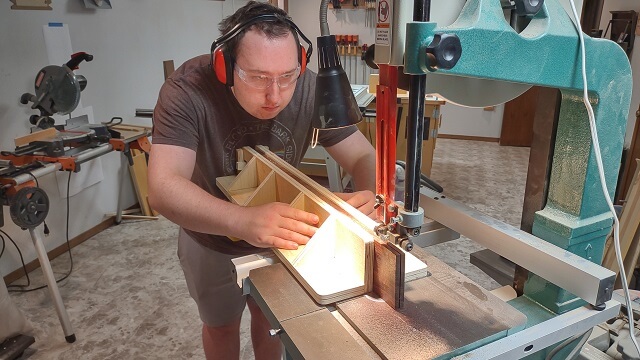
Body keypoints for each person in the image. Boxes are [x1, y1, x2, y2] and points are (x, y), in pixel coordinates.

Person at [148, 2, 376, 359]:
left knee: (272, 321)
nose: (275, 95)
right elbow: (163, 188)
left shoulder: (309, 86)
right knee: (221, 326)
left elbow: (363, 156)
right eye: (257, 77)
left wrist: (368, 193)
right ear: (225, 66)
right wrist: (242, 220)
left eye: (287, 76)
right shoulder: (187, 89)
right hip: (210, 238)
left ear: (300, 64)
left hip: (282, 236)